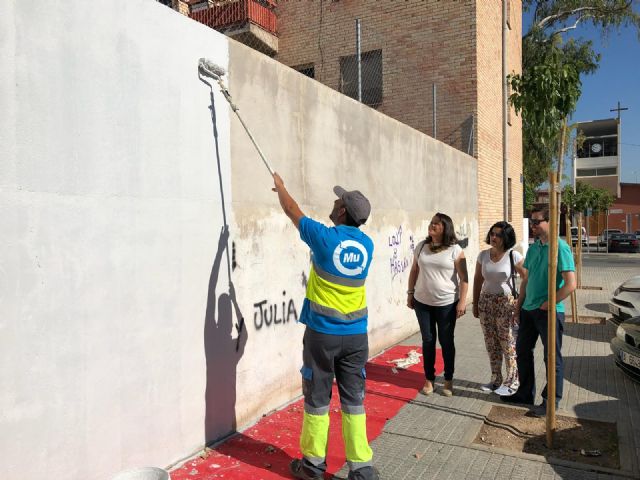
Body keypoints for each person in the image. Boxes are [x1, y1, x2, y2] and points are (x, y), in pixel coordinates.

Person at [272, 173, 379, 480]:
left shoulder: (324, 238)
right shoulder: (367, 245)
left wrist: (280, 187)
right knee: (354, 402)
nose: (333, 202)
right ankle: (361, 469)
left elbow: (292, 210)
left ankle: (313, 467)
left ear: (343, 211)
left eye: (338, 199)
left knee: (318, 400)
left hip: (322, 335)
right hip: (356, 336)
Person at [502, 207, 576, 417]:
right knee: (522, 352)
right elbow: (526, 279)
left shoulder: (560, 248)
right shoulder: (534, 248)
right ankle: (525, 393)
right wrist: (518, 306)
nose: (533, 226)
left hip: (549, 312)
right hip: (528, 310)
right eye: (531, 222)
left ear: (550, 222)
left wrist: (549, 303)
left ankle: (550, 402)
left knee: (551, 358)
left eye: (537, 222)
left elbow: (570, 284)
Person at [406, 213, 468, 397]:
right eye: (431, 223)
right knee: (427, 341)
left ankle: (448, 380)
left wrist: (462, 302)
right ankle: (429, 379)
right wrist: (410, 293)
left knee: (446, 341)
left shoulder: (455, 250)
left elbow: (464, 278)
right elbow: (414, 271)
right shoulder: (421, 247)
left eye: (436, 224)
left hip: (447, 304)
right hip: (422, 302)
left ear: (445, 228)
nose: (431, 226)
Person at [472, 221, 526, 396]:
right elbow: (478, 280)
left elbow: (527, 277)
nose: (494, 237)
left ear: (506, 238)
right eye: (492, 234)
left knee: (508, 343)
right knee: (491, 343)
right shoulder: (483, 256)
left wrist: (519, 303)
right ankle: (496, 379)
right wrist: (475, 303)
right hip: (486, 303)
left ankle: (512, 381)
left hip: (505, 304)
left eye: (498, 235)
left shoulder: (513, 256)